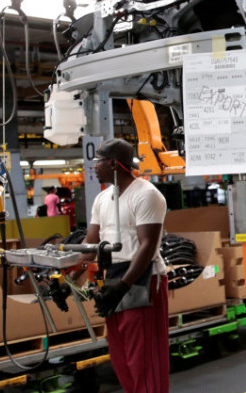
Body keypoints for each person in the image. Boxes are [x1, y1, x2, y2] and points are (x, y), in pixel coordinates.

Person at [82, 139, 169, 393]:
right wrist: (60, 267)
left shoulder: (147, 195)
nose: (94, 166)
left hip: (141, 278)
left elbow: (148, 246)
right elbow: (90, 243)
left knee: (144, 358)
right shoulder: (101, 199)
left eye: (98, 160)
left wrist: (123, 286)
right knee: (121, 357)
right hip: (114, 277)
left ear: (113, 163)